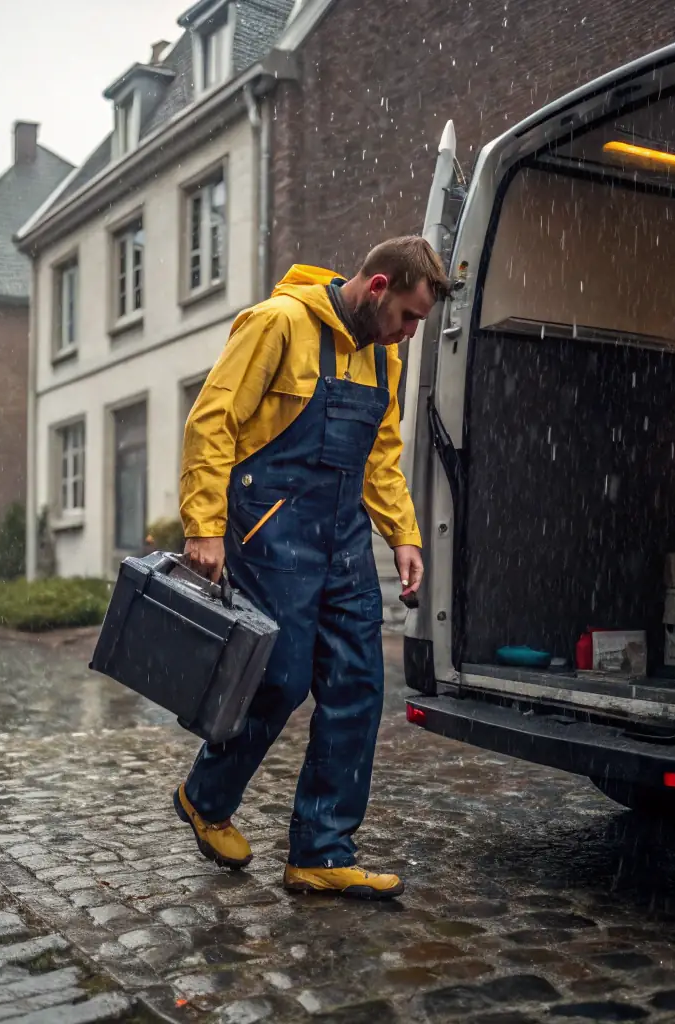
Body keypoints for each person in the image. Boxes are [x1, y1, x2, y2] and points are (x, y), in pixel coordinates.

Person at [174, 237, 449, 900]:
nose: (411, 332)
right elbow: (212, 422)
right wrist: (203, 526)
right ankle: (205, 795)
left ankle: (321, 852)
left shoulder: (384, 361)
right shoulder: (277, 324)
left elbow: (380, 458)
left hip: (343, 539)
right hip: (271, 528)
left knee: (357, 686)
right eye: (408, 316)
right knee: (282, 678)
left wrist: (402, 536)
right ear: (377, 285)